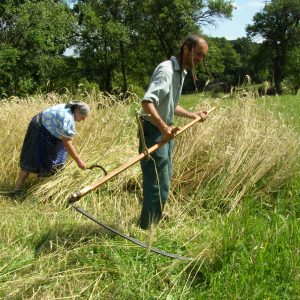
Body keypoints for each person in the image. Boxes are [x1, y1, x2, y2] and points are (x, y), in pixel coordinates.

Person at [138, 34, 209, 230]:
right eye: (197, 54)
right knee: (157, 183)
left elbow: (170, 105)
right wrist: (163, 128)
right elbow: (147, 102)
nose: (200, 60)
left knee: (165, 178)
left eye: (203, 56)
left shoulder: (181, 72)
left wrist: (192, 114)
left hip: (166, 130)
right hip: (154, 130)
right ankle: (146, 228)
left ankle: (154, 217)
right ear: (185, 48)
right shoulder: (166, 70)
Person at [14, 101, 90, 190]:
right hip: (39, 129)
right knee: (31, 159)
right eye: (83, 117)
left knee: (53, 158)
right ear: (77, 111)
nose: (83, 119)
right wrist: (79, 161)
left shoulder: (69, 108)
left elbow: (66, 139)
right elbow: (68, 143)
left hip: (43, 126)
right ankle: (17, 189)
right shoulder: (67, 118)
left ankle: (42, 188)